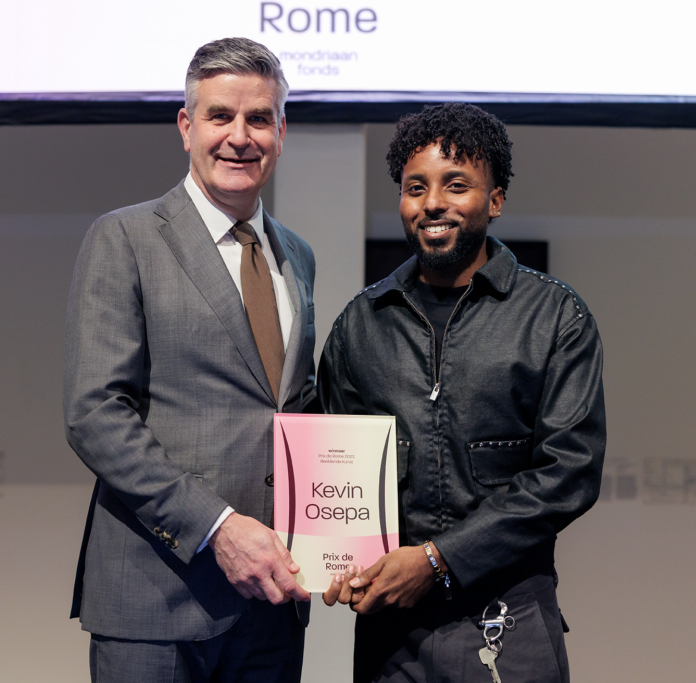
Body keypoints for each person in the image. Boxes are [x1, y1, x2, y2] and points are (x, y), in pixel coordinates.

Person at [318, 103, 605, 683]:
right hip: (390, 630)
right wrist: (336, 557)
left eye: (457, 185)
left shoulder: (554, 316)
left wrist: (437, 558)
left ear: (494, 200)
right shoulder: (361, 322)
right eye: (415, 187)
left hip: (510, 619)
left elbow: (568, 473)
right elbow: (332, 460)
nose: (433, 204)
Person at [63, 37, 315, 683]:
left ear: (281, 132)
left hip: (270, 606)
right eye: (219, 116)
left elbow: (291, 408)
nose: (240, 136)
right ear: (186, 126)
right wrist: (218, 527)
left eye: (259, 118)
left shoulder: (297, 255)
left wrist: (334, 537)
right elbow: (95, 414)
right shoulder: (126, 237)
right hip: (155, 602)